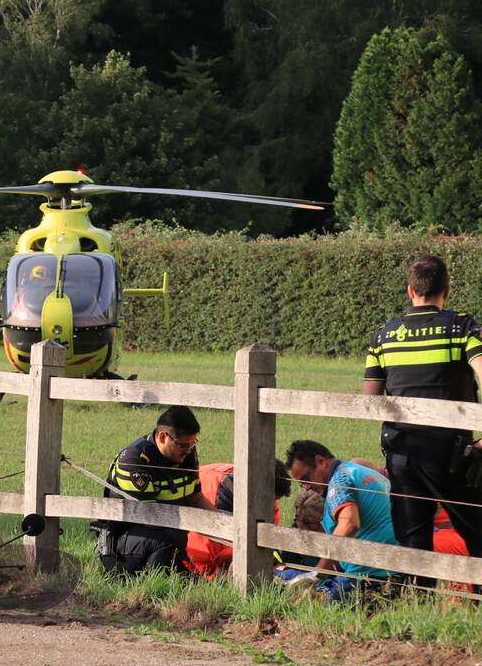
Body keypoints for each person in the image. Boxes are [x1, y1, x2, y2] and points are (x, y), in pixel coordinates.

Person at [363, 254, 482, 578]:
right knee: (477, 534)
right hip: (451, 453)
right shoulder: (461, 327)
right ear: (446, 289)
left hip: (401, 453)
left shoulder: (384, 336)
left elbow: (369, 399)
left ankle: (418, 600)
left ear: (410, 291)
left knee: (413, 543)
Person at [96, 405, 216, 575]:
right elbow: (151, 519)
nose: (188, 451)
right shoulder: (134, 459)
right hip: (122, 543)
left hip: (166, 533)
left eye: (192, 444)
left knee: (176, 535)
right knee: (171, 535)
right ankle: (154, 581)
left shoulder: (187, 453)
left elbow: (196, 499)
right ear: (162, 437)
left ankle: (177, 576)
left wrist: (224, 525)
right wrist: (196, 522)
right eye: (183, 445)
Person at [285, 440, 403, 602]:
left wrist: (315, 574)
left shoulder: (339, 482)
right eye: (301, 483)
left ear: (321, 461)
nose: (307, 487)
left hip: (368, 576)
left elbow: (349, 524)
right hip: (397, 569)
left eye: (307, 478)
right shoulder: (358, 470)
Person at [184, 459, 291, 579]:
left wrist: (275, 563)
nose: (270, 503)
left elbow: (268, 540)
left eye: (274, 500)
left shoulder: (266, 494)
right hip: (195, 559)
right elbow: (201, 553)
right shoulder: (216, 494)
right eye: (269, 500)